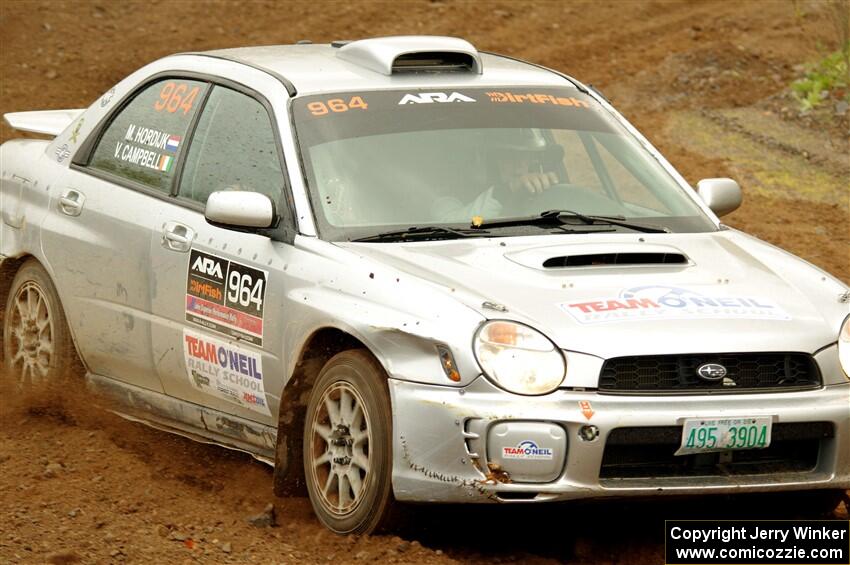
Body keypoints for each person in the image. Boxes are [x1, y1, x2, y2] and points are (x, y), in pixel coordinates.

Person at [432, 128, 561, 222]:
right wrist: (505, 191)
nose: (519, 168)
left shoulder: (540, 193)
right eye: (509, 157)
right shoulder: (451, 195)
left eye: (526, 157)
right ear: (486, 159)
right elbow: (462, 225)